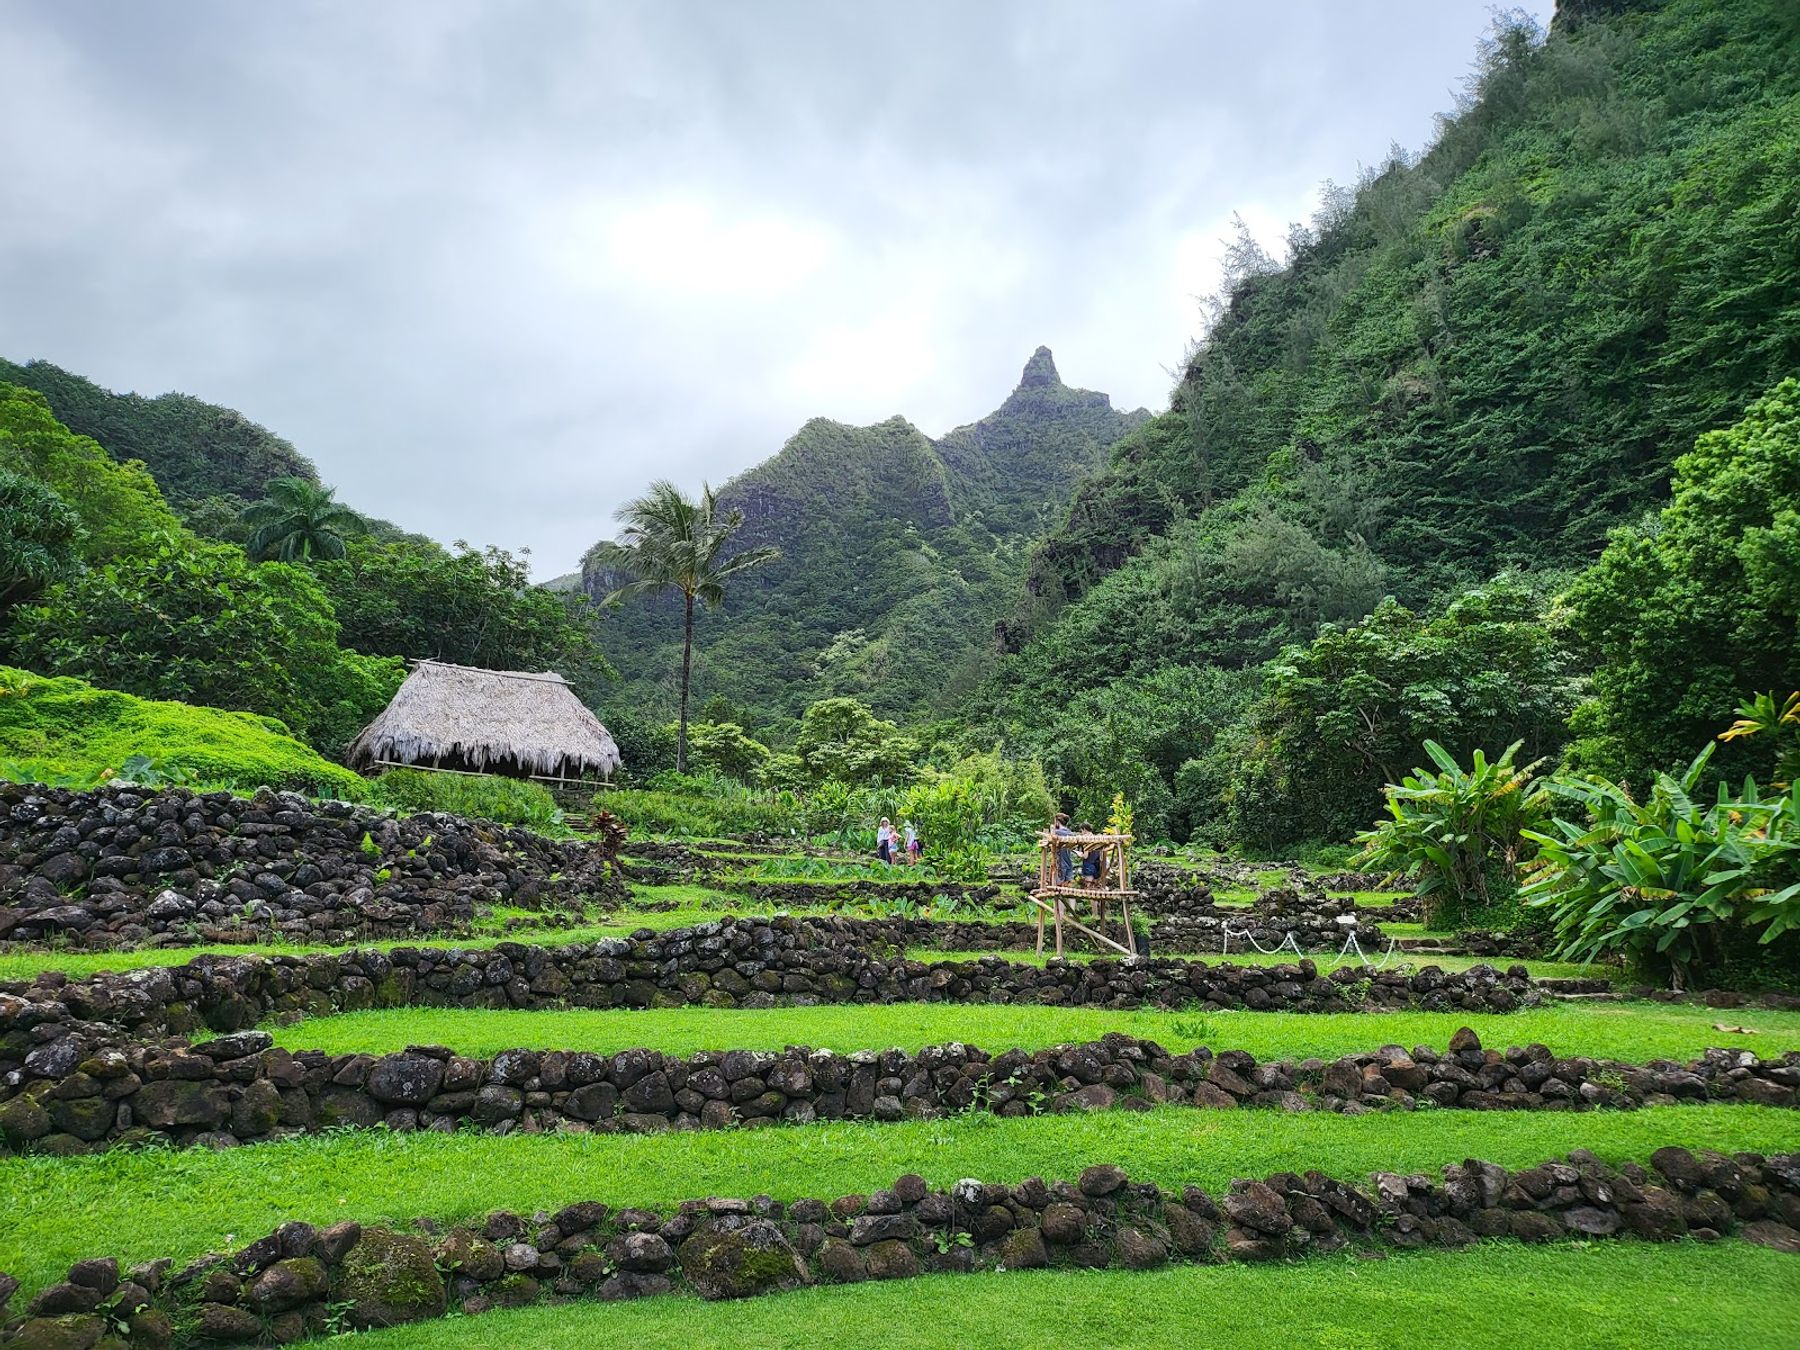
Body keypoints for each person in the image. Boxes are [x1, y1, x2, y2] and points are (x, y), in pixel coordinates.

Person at [1052, 812, 1074, 884]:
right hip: (1069, 861)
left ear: (1058, 822)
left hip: (1060, 863)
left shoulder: (1057, 832)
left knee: (1059, 885)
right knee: (1067, 885)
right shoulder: (1070, 833)